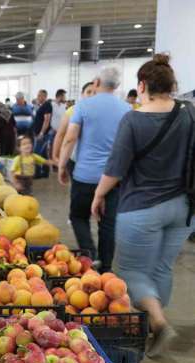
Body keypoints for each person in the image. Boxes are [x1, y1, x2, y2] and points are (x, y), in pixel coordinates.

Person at [91, 55, 194, 357]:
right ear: (171, 85)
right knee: (161, 266)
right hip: (184, 207)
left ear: (142, 85)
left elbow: (115, 168)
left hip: (142, 209)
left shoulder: (134, 119)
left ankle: (159, 324)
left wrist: (98, 196)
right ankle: (151, 322)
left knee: (133, 271)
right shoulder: (189, 115)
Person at [58, 66, 131, 272]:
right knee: (108, 223)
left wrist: (62, 165)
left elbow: (70, 138)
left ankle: (89, 255)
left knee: (78, 216)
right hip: (113, 178)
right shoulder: (126, 110)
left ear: (97, 82)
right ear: (116, 86)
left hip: (84, 176)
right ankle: (106, 267)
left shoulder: (84, 106)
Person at [51, 82, 95, 171]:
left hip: (97, 161)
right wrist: (55, 155)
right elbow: (61, 134)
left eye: (95, 93)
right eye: (89, 92)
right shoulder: (72, 111)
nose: (92, 95)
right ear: (82, 94)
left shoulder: (104, 112)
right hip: (75, 159)